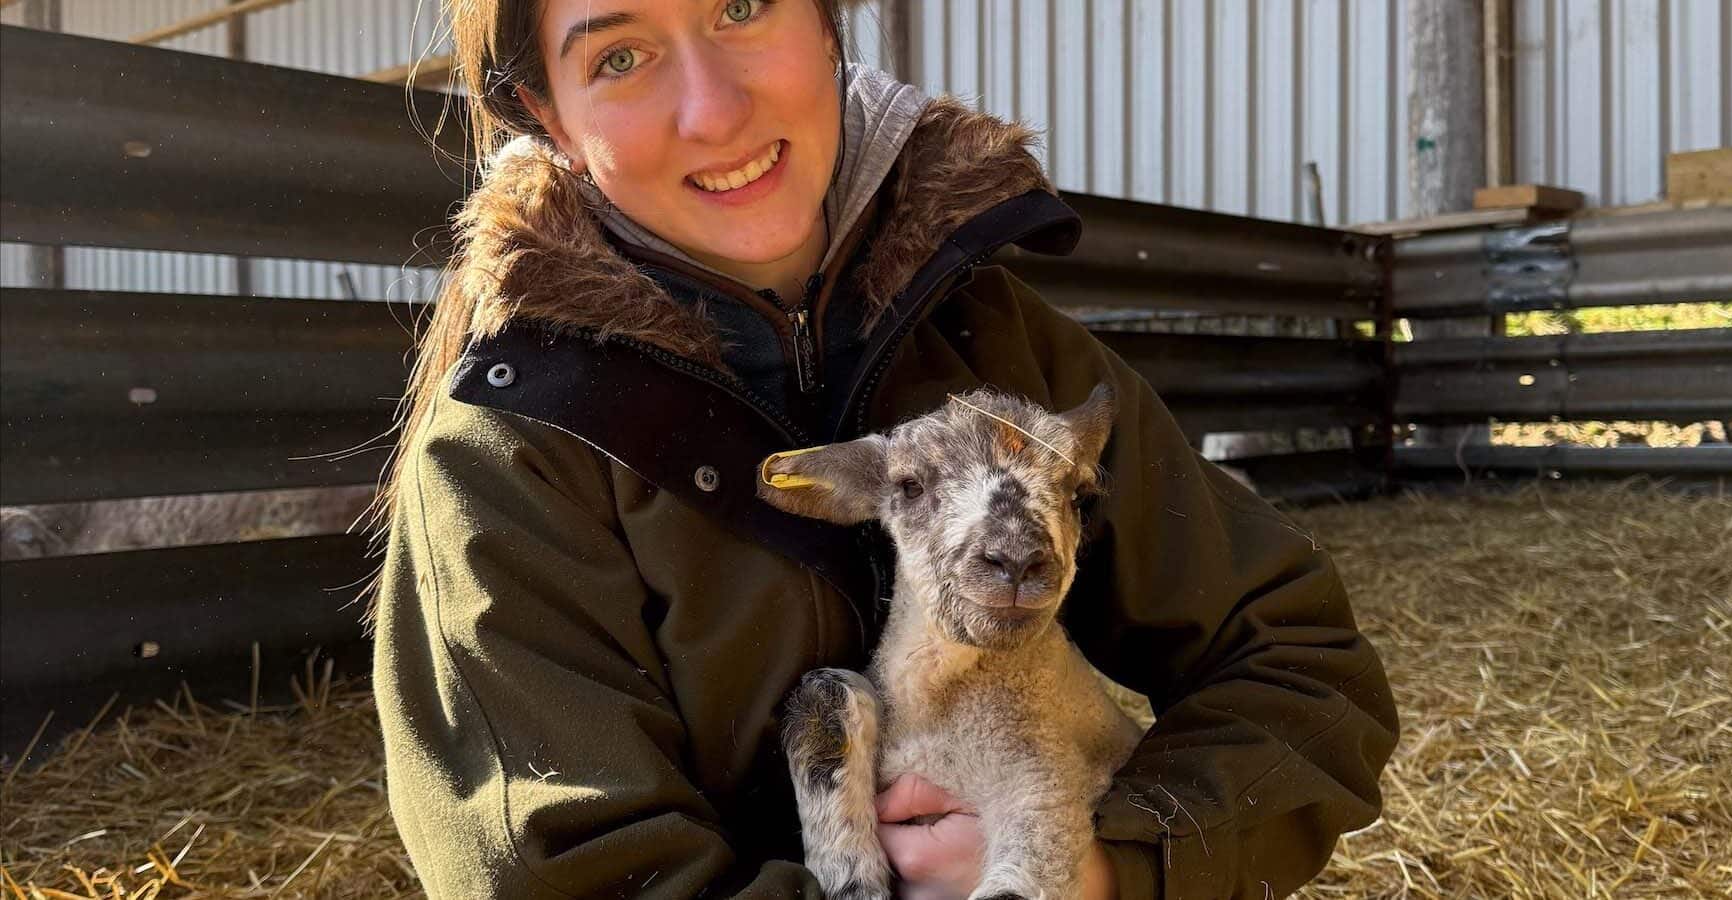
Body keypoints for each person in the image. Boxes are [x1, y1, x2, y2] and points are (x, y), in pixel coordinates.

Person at [366, 1, 1400, 897]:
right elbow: (561, 871)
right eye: (618, 58)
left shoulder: (1000, 346)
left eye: (742, 7)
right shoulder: (518, 452)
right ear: (546, 112)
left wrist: (1106, 869)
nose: (715, 111)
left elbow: (1299, 666)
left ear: (824, 21)